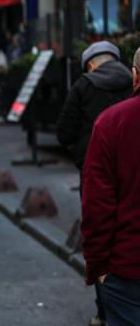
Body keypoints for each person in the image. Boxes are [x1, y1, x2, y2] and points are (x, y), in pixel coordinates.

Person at [81, 46, 140, 326]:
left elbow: (97, 205)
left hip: (129, 267)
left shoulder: (112, 122)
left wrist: (99, 267)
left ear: (135, 76)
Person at [57, 41, 132, 172]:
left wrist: (80, 150)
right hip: (130, 160)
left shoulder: (82, 86)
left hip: (93, 162)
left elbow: (64, 132)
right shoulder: (133, 81)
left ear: (91, 65)